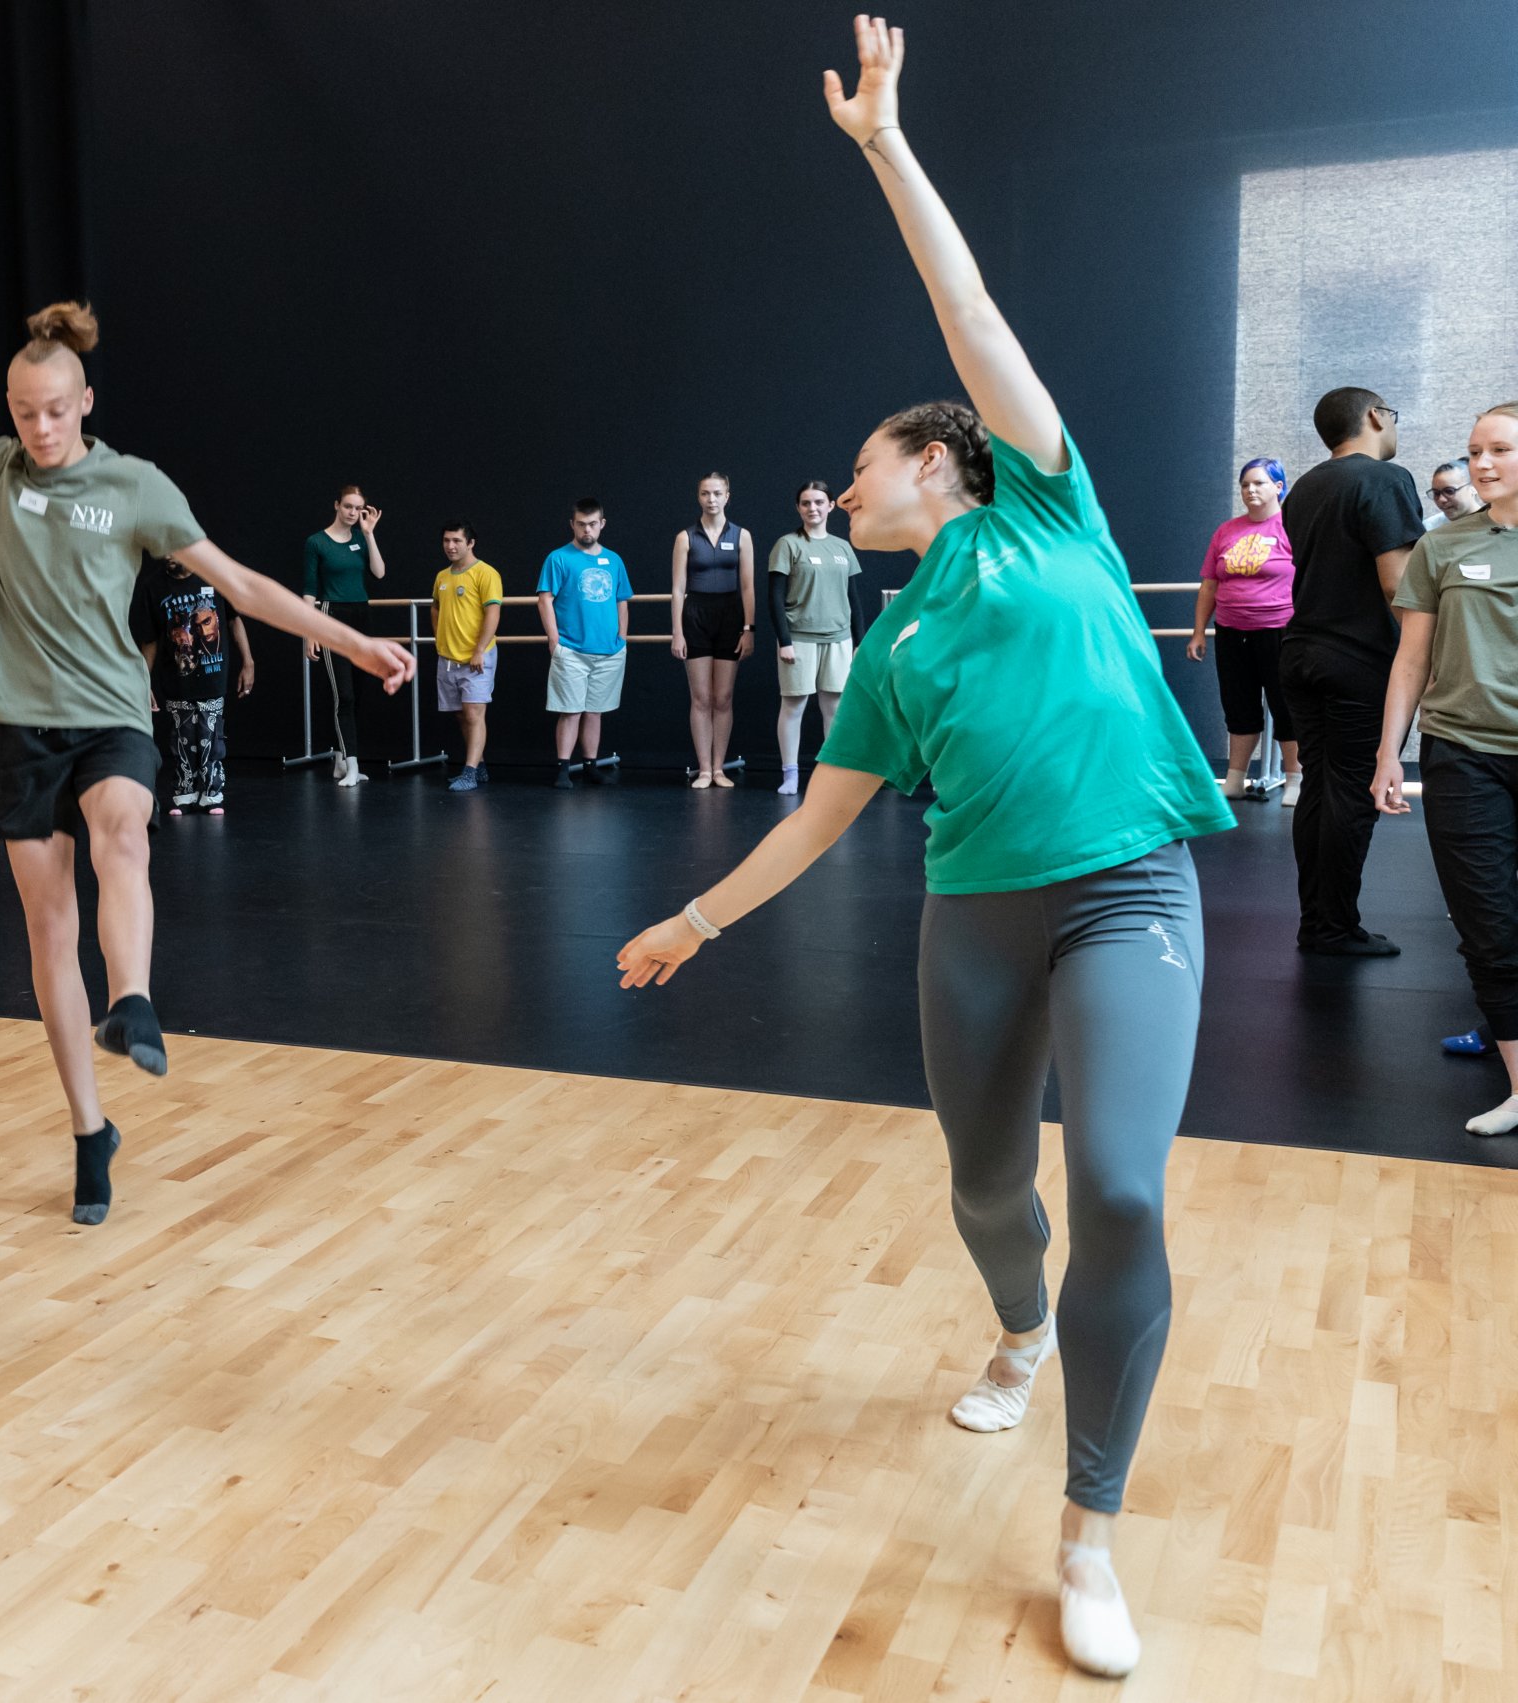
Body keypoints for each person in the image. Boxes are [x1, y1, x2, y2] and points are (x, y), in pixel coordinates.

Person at [616, 19, 1234, 1677]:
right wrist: (694, 916)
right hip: (976, 914)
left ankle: (1088, 1529)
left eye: (875, 462)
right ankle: (1020, 1331)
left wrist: (889, 145)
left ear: (938, 465)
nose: (854, 478)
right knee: (984, 1187)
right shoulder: (888, 653)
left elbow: (971, 317)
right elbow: (820, 820)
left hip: (1125, 889)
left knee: (1113, 1181)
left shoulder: (1046, 504)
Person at [0, 202, 411, 1228]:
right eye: (20, 410)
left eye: (52, 410)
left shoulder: (134, 487)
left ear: (84, 401)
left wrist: (349, 640)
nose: (36, 428)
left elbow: (242, 584)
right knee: (48, 927)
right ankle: (90, 1128)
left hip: (112, 716)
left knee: (122, 836)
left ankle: (134, 999)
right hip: (18, 728)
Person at [1375, 405, 1518, 1131]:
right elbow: (1411, 659)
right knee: (1490, 924)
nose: (1483, 464)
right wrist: (1387, 756)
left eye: (1499, 450)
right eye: (1475, 451)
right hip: (1464, 754)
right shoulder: (1443, 548)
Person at [1279, 385, 1427, 956]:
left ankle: (1318, 921)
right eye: (1392, 415)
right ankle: (1333, 927)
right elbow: (1398, 583)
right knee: (1350, 790)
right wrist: (1427, 659)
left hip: (1301, 652)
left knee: (1320, 784)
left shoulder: (1307, 486)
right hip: (1357, 659)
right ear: (1374, 416)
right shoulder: (1386, 479)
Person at [1187, 459, 1301, 806]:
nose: (1250, 490)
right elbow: (1209, 585)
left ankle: (1294, 778)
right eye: (1245, 484)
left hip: (1279, 630)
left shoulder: (1291, 527)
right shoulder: (1226, 531)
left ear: (1278, 487)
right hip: (1232, 631)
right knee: (1238, 706)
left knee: (1287, 706)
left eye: (1259, 483)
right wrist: (1198, 633)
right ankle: (1235, 779)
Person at [131, 554, 252, 815]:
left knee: (211, 736)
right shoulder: (154, 587)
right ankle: (185, 791)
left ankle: (212, 792)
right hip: (175, 677)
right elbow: (150, 639)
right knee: (183, 738)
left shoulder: (212, 576)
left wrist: (248, 662)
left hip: (213, 673)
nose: (168, 557)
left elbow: (233, 619)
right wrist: (144, 679)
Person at [766, 480, 863, 794]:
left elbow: (853, 598)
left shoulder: (842, 547)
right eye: (806, 503)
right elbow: (774, 597)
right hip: (800, 638)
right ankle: (790, 774)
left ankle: (831, 778)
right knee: (793, 706)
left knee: (834, 708)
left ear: (831, 505)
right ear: (799, 508)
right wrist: (785, 641)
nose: (813, 508)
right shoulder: (788, 545)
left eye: (819, 502)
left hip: (839, 639)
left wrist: (858, 642)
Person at [537, 498, 630, 787]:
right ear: (572, 525)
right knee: (571, 710)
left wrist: (622, 639)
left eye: (592, 524)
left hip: (608, 650)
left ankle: (590, 765)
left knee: (595, 710)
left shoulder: (614, 560)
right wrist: (554, 640)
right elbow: (545, 599)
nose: (587, 529)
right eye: (581, 524)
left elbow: (622, 601)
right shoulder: (559, 558)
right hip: (572, 648)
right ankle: (563, 768)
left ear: (602, 524)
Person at [670, 472, 755, 787]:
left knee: (724, 697)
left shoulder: (742, 536)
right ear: (699, 497)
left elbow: (748, 587)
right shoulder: (686, 537)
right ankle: (704, 769)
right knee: (701, 697)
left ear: (727, 496)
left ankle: (719, 768)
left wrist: (749, 628)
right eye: (706, 493)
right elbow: (678, 589)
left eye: (717, 493)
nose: (711, 499)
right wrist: (677, 631)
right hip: (696, 617)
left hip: (731, 616)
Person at [302, 487, 388, 786]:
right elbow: (310, 589)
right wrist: (309, 630)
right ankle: (352, 766)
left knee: (360, 693)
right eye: (348, 506)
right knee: (345, 695)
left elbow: (378, 573)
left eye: (359, 508)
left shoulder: (361, 539)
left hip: (361, 616)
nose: (353, 512)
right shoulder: (317, 542)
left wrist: (369, 534)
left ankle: (341, 760)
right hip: (331, 616)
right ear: (337, 505)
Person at [434, 524, 501, 792]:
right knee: (461, 715)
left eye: (457, 541)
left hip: (476, 658)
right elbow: (435, 608)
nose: (451, 546)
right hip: (448, 658)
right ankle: (479, 765)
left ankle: (470, 772)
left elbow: (493, 613)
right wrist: (440, 640)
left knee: (474, 713)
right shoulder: (442, 576)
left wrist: (479, 650)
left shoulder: (486, 573)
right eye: (446, 540)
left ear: (471, 543)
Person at [1429, 458, 1482, 528]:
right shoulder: (1430, 527)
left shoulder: (1496, 524)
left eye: (1449, 491)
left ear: (1474, 487)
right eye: (1436, 493)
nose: (1441, 499)